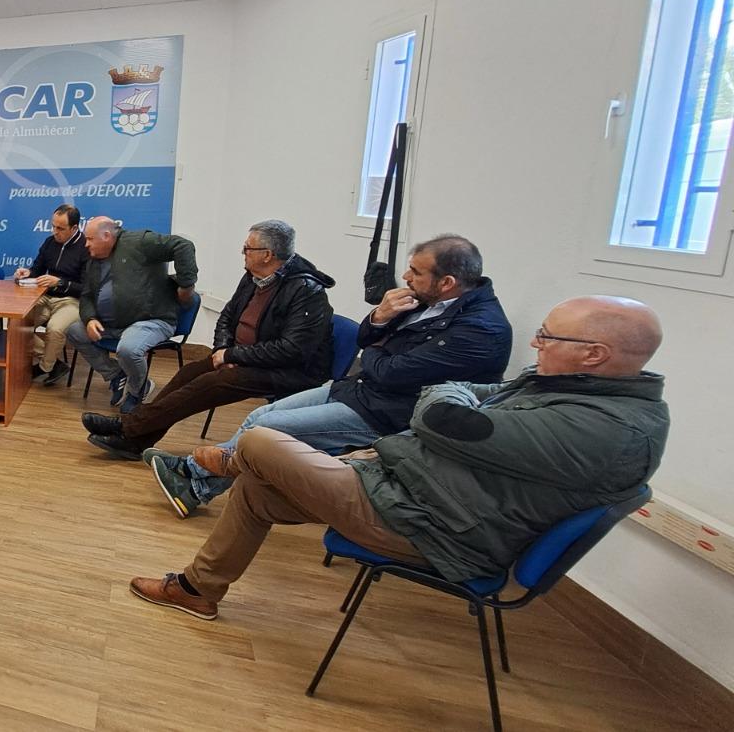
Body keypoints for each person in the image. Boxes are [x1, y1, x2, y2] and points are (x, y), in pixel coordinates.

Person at [128, 296, 669, 628]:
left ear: (595, 354)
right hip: (407, 487)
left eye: (548, 336)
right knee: (258, 490)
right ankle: (197, 591)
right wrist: (449, 397)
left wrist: (446, 399)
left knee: (262, 440)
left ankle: (227, 461)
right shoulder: (563, 386)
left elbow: (443, 416)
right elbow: (458, 393)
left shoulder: (606, 429)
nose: (536, 343)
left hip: (431, 526)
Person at [144, 233, 512, 515]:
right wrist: (380, 317)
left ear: (447, 282)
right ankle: (193, 479)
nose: (405, 277)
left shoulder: (480, 331)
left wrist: (375, 351)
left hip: (388, 413)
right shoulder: (426, 301)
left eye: (416, 272)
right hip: (358, 389)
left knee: (265, 430)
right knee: (260, 416)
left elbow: (389, 372)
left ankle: (193, 480)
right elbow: (368, 340)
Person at [82, 220, 334, 459]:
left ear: (267, 255)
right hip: (246, 356)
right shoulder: (253, 276)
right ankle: (137, 441)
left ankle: (127, 428)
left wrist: (233, 355)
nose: (243, 252)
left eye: (248, 248)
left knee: (211, 383)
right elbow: (227, 316)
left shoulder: (306, 291)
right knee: (188, 374)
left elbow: (291, 350)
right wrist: (223, 349)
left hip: (287, 370)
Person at [64, 217, 197, 414]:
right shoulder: (94, 260)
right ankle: (116, 374)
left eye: (90, 239)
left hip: (150, 320)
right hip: (112, 325)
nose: (86, 244)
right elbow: (87, 296)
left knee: (128, 349)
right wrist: (90, 318)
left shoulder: (140, 242)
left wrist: (186, 285)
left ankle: (137, 390)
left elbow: (183, 245)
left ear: (106, 236)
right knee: (75, 331)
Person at [13, 204, 88, 385]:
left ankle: (45, 367)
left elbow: (88, 288)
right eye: (53, 226)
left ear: (74, 228)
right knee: (17, 326)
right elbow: (37, 270)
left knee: (54, 329)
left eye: (60, 228)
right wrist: (27, 273)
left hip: (72, 300)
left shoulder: (86, 247)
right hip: (46, 296)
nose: (55, 232)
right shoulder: (49, 242)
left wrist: (60, 283)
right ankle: (54, 365)